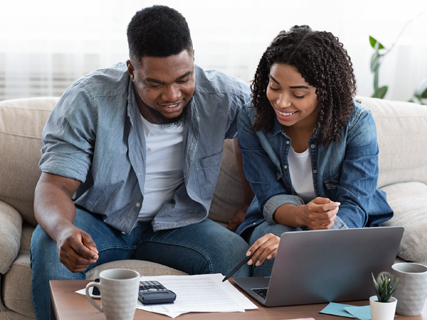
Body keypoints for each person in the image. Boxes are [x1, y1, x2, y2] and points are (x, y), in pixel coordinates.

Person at [30, 5, 252, 320]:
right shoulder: (89, 100)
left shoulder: (223, 95)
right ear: (132, 71)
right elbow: (53, 185)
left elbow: (263, 131)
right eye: (155, 84)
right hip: (100, 223)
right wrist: (64, 228)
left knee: (238, 256)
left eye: (183, 78)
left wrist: (251, 202)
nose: (172, 94)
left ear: (192, 59)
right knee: (50, 245)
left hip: (179, 226)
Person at [235, 25, 394, 276]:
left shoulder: (357, 124)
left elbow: (354, 207)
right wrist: (302, 219)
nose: (281, 102)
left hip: (341, 225)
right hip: (280, 218)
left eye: (298, 94)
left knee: (318, 260)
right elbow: (268, 194)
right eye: (274, 87)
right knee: (274, 258)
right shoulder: (252, 118)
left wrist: (304, 241)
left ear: (325, 92)